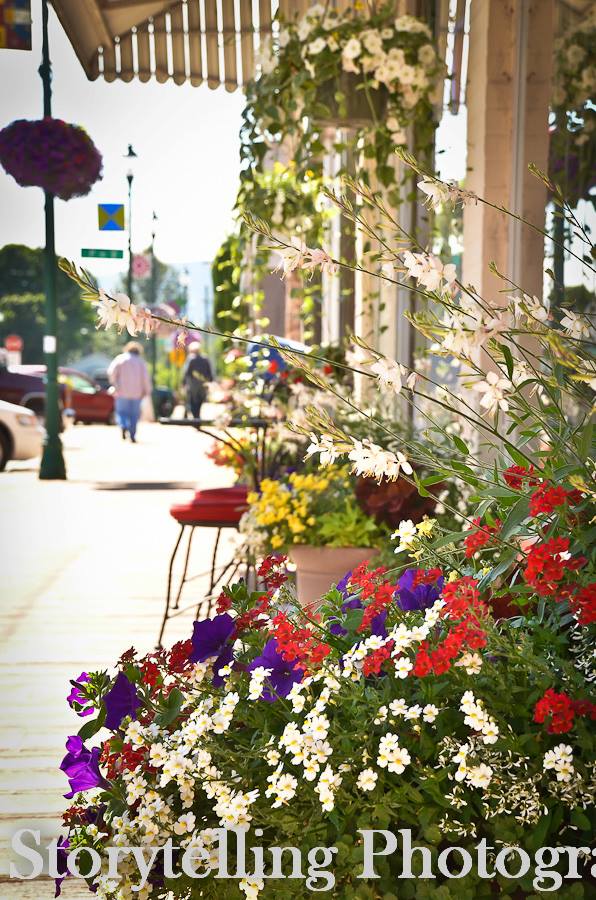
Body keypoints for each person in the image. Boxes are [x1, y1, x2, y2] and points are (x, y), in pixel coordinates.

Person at [107, 341, 152, 442]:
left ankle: (123, 426)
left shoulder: (120, 358)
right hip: (137, 393)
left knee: (121, 412)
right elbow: (146, 378)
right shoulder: (141, 362)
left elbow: (111, 372)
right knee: (134, 415)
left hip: (122, 392)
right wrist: (147, 391)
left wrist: (115, 383)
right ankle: (132, 435)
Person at [182, 341, 213, 419]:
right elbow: (209, 372)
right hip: (203, 383)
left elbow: (187, 373)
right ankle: (197, 415)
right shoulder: (205, 358)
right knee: (200, 400)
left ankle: (196, 416)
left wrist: (184, 382)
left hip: (193, 384)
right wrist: (210, 381)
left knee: (193, 400)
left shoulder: (191, 359)